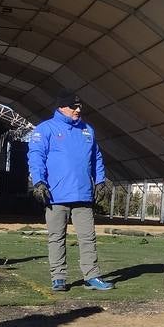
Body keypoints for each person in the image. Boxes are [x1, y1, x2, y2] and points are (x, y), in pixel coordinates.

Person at [28, 90, 113, 292]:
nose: (78, 110)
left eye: (79, 106)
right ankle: (58, 278)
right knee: (56, 237)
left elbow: (96, 158)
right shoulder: (45, 129)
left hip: (83, 194)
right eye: (73, 107)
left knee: (88, 237)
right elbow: (36, 156)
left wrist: (100, 180)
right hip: (55, 195)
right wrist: (39, 181)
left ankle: (91, 276)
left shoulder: (88, 130)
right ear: (61, 108)